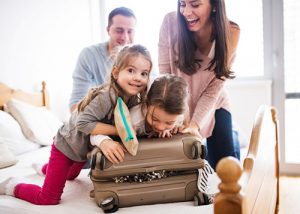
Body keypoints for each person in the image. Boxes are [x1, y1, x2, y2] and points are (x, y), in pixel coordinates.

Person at [0, 44, 152, 205]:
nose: (138, 77)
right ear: (115, 72)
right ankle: (10, 185)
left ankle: (44, 168)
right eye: (131, 70)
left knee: (71, 176)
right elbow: (83, 123)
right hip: (65, 145)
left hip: (82, 150)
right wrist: (119, 130)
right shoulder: (106, 97)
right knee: (48, 199)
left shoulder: (134, 99)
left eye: (144, 73)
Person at [158, 0, 240, 169]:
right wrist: (178, 117)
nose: (186, 12)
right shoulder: (170, 23)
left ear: (215, 5)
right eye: (182, 4)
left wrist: (194, 125)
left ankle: (234, 136)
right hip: (179, 103)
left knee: (225, 167)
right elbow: (165, 77)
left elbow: (214, 89)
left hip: (214, 103)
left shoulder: (231, 32)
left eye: (195, 5)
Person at [90, 74, 189, 163]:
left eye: (169, 123)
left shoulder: (178, 116)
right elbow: (93, 133)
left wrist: (173, 128)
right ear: (147, 103)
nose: (161, 127)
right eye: (155, 119)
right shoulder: (134, 119)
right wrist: (103, 142)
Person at [69, 7, 137, 112]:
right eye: (119, 31)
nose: (125, 38)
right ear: (108, 30)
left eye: (130, 31)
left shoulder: (143, 58)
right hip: (96, 121)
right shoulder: (88, 56)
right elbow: (75, 107)